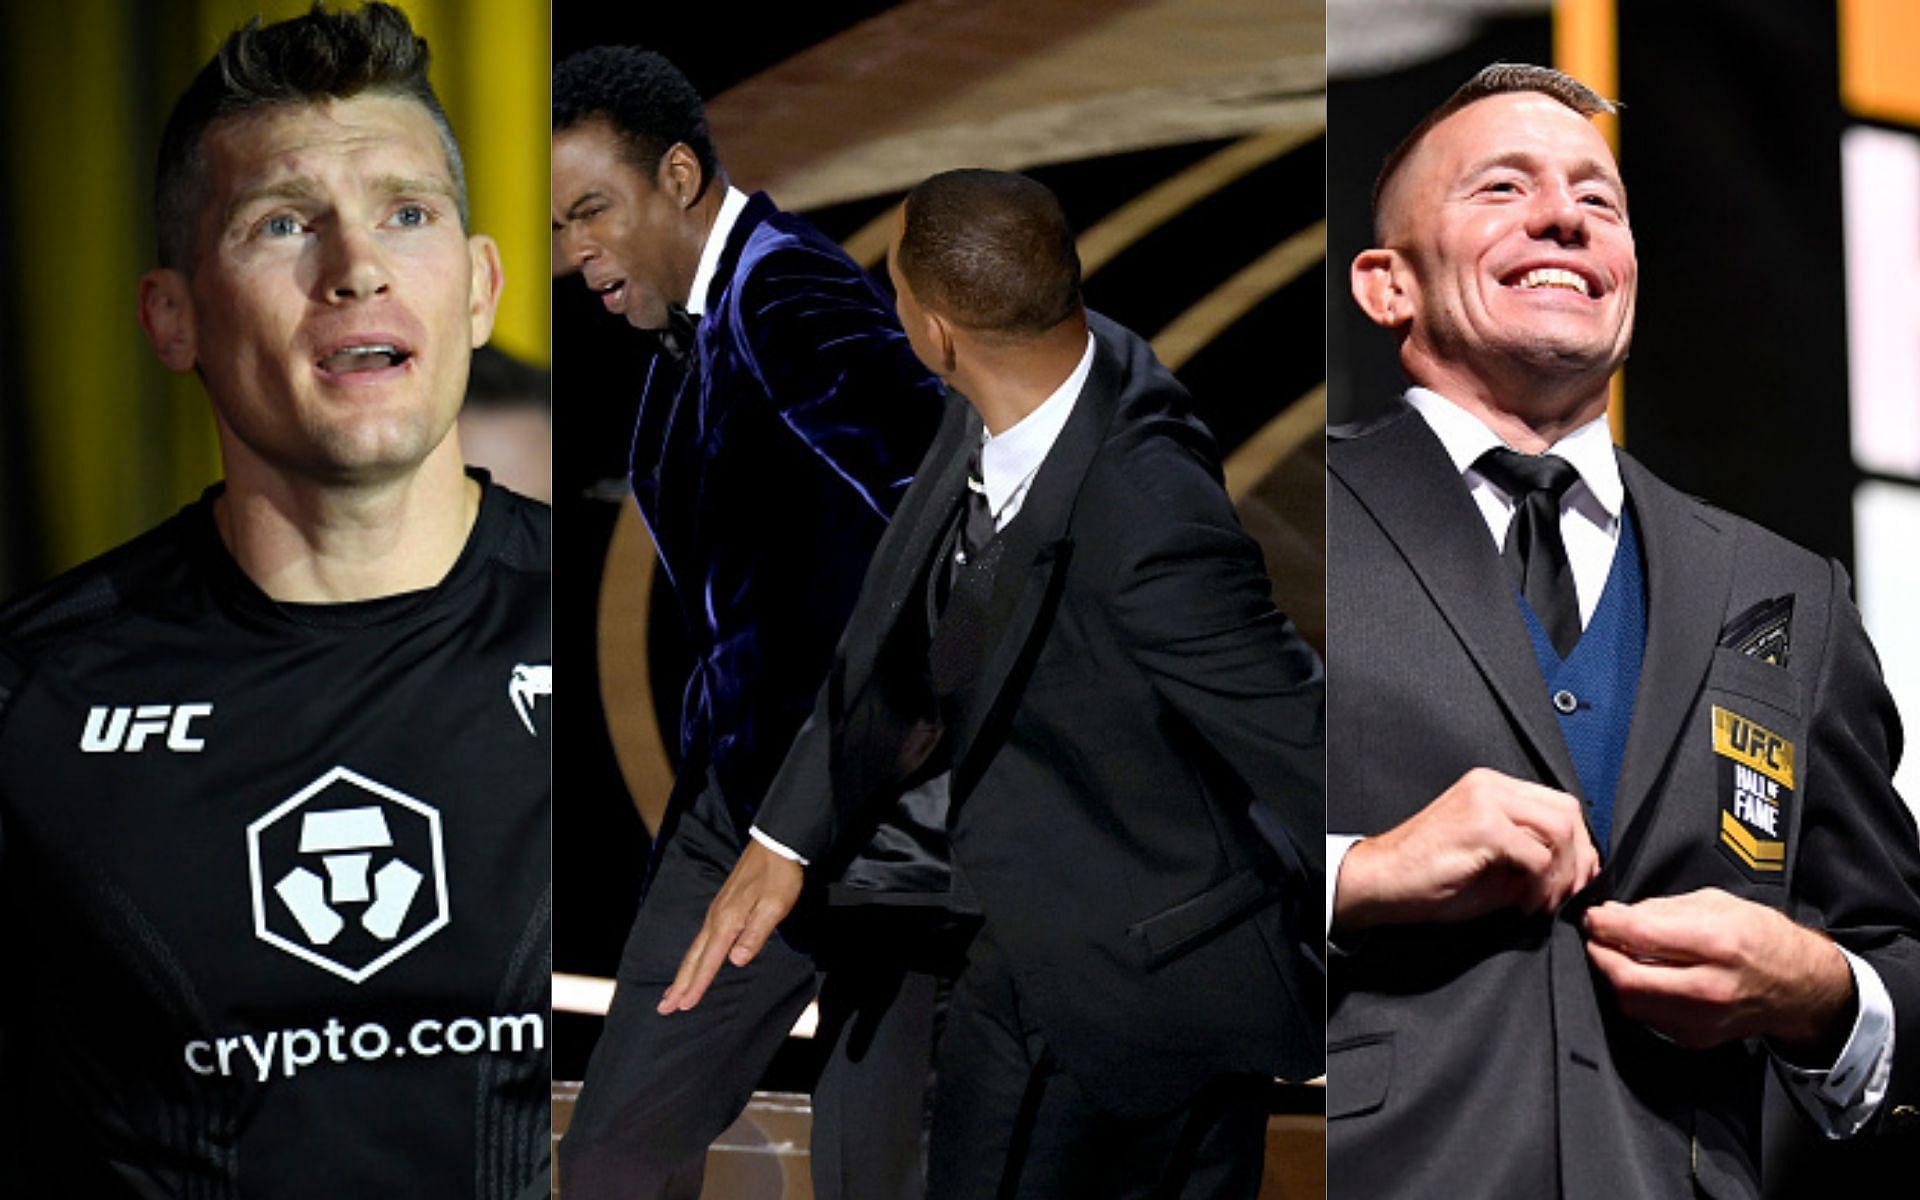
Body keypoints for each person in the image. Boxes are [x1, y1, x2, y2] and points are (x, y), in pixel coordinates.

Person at [662, 169, 1325, 1200]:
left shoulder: (1148, 518)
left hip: (1149, 996)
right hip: (1021, 960)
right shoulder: (1018, 384)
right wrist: (786, 836)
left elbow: (1302, 731)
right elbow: (895, 629)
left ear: (933, 331)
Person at [1326, 63, 1920, 1199]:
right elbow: (1124, 866)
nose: (1563, 215)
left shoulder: (1788, 591)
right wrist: (1359, 874)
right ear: (1386, 285)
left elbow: (1897, 948)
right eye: (1502, 188)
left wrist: (1819, 989)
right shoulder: (1267, 524)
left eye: (1600, 202)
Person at [0, 5, 549, 1198]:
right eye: (283, 223)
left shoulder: (648, 654)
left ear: (479, 287)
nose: (355, 266)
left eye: (408, 213)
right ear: (172, 316)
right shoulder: (32, 701)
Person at [550, 47, 957, 1200]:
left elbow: (945, 488)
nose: (577, 251)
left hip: (871, 821)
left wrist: (884, 735)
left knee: (877, 1174)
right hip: (737, 810)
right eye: (562, 224)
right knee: (619, 1155)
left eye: (594, 210)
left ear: (677, 176)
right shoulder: (699, 320)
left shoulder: (786, 289)